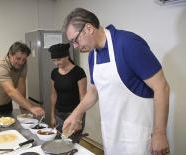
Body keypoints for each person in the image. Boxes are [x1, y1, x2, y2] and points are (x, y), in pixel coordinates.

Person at [62, 8, 170, 155]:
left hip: (136, 137)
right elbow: (94, 90)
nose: (75, 46)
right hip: (111, 134)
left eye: (75, 40)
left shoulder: (128, 43)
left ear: (88, 28)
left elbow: (161, 87)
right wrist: (76, 113)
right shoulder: (93, 55)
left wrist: (160, 133)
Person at [0, 41, 45, 117]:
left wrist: (23, 106)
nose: (21, 62)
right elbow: (11, 91)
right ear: (10, 55)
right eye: (18, 58)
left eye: (24, 59)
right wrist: (31, 107)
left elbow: (21, 84)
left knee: (8, 126)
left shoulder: (23, 63)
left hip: (6, 103)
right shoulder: (0, 66)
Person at [48, 43, 87, 140]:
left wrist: (79, 119)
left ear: (67, 56)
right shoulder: (54, 73)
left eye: (59, 59)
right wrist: (52, 115)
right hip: (59, 114)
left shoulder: (78, 72)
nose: (56, 63)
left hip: (74, 113)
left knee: (72, 142)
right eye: (53, 60)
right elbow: (53, 95)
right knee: (58, 140)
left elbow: (83, 97)